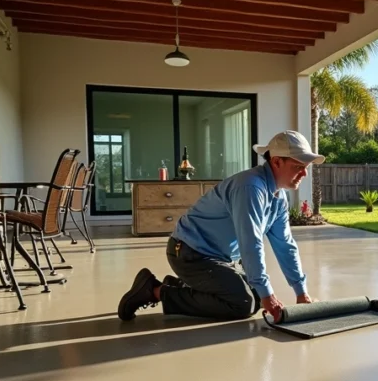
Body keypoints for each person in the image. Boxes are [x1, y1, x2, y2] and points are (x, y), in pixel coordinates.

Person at [117, 130, 323, 323]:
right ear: (277, 162)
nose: (304, 173)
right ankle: (154, 290)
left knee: (257, 297)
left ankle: (176, 286)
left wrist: (301, 292)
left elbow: (285, 245)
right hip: (190, 253)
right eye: (299, 166)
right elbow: (250, 242)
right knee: (243, 303)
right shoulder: (251, 187)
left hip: (219, 259)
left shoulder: (278, 196)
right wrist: (268, 294)